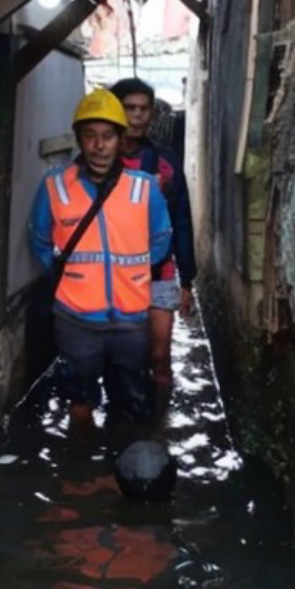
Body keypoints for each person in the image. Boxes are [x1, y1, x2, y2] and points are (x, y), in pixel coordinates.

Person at [29, 89, 172, 435]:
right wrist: (76, 278)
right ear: (79, 139)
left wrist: (131, 275)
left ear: (121, 140)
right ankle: (81, 472)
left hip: (130, 320)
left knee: (131, 404)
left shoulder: (143, 189)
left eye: (108, 136)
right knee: (79, 405)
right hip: (75, 320)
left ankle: (123, 473)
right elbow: (39, 241)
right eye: (90, 136)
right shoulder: (55, 186)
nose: (99, 145)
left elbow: (160, 240)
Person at [110, 78, 197, 410]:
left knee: (160, 356)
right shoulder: (99, 161)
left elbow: (182, 220)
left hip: (159, 272)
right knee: (120, 360)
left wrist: (186, 280)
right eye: (129, 108)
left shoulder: (165, 162)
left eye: (143, 109)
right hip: (112, 277)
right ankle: (122, 424)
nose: (137, 116)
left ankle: (159, 427)